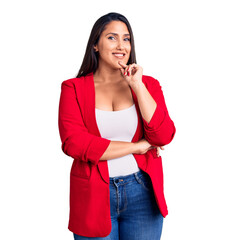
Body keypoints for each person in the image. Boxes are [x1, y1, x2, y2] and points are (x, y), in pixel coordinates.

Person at [58, 12, 176, 240]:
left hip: (142, 191)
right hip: (93, 196)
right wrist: (136, 147)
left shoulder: (148, 85)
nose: (121, 45)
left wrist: (138, 86)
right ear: (95, 44)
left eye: (127, 38)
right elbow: (75, 144)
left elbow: (162, 136)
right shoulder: (72, 88)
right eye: (112, 37)